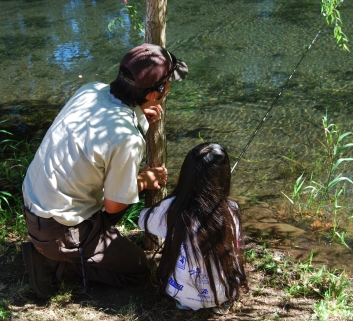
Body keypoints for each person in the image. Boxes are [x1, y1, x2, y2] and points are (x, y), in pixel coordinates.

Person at [21, 43, 188, 298]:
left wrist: (139, 114)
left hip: (35, 208)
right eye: (167, 85)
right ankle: (58, 263)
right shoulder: (126, 138)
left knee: (109, 192)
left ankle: (58, 249)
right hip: (58, 228)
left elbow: (105, 130)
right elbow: (113, 206)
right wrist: (142, 181)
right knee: (140, 269)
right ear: (154, 94)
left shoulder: (90, 90)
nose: (169, 89)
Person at [139, 142, 248, 313]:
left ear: (185, 176)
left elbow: (143, 220)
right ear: (225, 178)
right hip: (223, 293)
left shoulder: (173, 208)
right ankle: (220, 304)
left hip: (178, 292)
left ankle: (184, 303)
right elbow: (236, 242)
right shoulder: (232, 210)